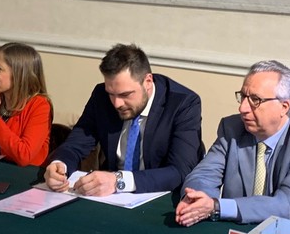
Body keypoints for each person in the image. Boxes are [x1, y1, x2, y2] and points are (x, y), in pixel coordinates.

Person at [175, 60, 290, 227]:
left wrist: (217, 206)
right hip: (240, 232)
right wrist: (197, 200)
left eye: (255, 100)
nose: (243, 108)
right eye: (243, 97)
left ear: (284, 107)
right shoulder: (232, 129)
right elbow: (203, 175)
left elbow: (288, 204)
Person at [44, 44, 204, 197]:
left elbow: (179, 171)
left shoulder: (182, 104)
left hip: (160, 198)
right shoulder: (101, 96)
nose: (117, 103)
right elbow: (76, 143)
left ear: (148, 82)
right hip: (110, 198)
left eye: (125, 94)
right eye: (111, 94)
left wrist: (118, 181)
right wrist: (59, 165)